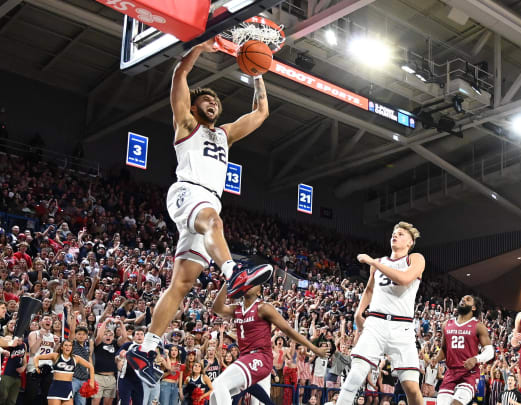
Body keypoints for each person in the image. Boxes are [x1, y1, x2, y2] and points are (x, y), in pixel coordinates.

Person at [127, 36, 274, 386]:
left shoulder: (225, 135)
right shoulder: (186, 125)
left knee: (182, 283)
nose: (211, 102)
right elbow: (180, 74)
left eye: (215, 101)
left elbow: (262, 112)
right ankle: (232, 271)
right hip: (187, 192)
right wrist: (197, 50)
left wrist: (257, 72)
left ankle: (145, 349)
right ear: (193, 107)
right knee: (214, 220)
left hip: (207, 201)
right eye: (205, 98)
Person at [337, 221, 425, 405]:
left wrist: (371, 261)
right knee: (355, 374)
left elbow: (404, 279)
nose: (395, 235)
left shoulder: (415, 259)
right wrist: (358, 312)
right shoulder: (379, 263)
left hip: (402, 327)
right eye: (394, 233)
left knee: (412, 389)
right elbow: (369, 290)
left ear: (410, 243)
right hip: (376, 323)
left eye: (401, 234)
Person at [209, 281, 329, 405]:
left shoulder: (263, 307)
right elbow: (217, 309)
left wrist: (314, 349)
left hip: (261, 357)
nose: (250, 284)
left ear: (259, 292)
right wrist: (227, 281)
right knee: (215, 393)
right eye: (248, 282)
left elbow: (288, 330)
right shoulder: (237, 308)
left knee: (221, 384)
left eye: (254, 283)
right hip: (245, 358)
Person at [435, 295, 494, 405]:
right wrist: (436, 359)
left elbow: (490, 351)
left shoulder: (478, 326)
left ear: (474, 308)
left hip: (469, 374)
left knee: (455, 404)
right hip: (451, 373)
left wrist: (476, 359)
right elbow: (444, 349)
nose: (463, 300)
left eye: (468, 300)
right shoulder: (447, 324)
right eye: (463, 299)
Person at [34, 339, 95, 405]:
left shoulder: (76, 358)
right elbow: (37, 357)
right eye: (66, 345)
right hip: (55, 388)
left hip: (68, 389)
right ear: (62, 347)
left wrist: (91, 381)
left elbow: (91, 367)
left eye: (70, 345)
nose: (68, 347)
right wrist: (37, 367)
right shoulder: (56, 356)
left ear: (72, 348)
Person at [27, 314, 57, 405]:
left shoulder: (53, 336)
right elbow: (32, 351)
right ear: (40, 322)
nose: (48, 321)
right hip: (34, 367)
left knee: (46, 396)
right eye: (46, 319)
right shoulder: (33, 333)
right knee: (32, 396)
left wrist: (58, 344)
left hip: (48, 368)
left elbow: (53, 354)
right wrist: (40, 337)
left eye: (50, 319)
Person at [0, 336, 26, 405]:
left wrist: (23, 367)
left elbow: (24, 359)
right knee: (2, 397)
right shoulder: (8, 340)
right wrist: (12, 341)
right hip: (5, 374)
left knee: (12, 401)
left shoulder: (24, 345)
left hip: (17, 376)